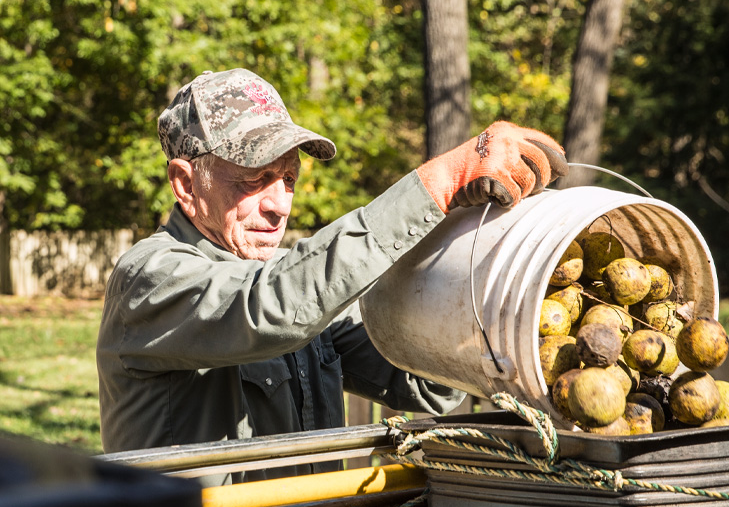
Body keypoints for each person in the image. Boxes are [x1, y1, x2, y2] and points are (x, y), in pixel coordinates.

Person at [97, 68, 568, 482]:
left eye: (287, 179)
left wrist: (473, 257)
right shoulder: (149, 278)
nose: (279, 204)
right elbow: (272, 309)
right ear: (185, 183)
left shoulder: (293, 287)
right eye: (252, 178)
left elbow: (426, 383)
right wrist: (438, 185)